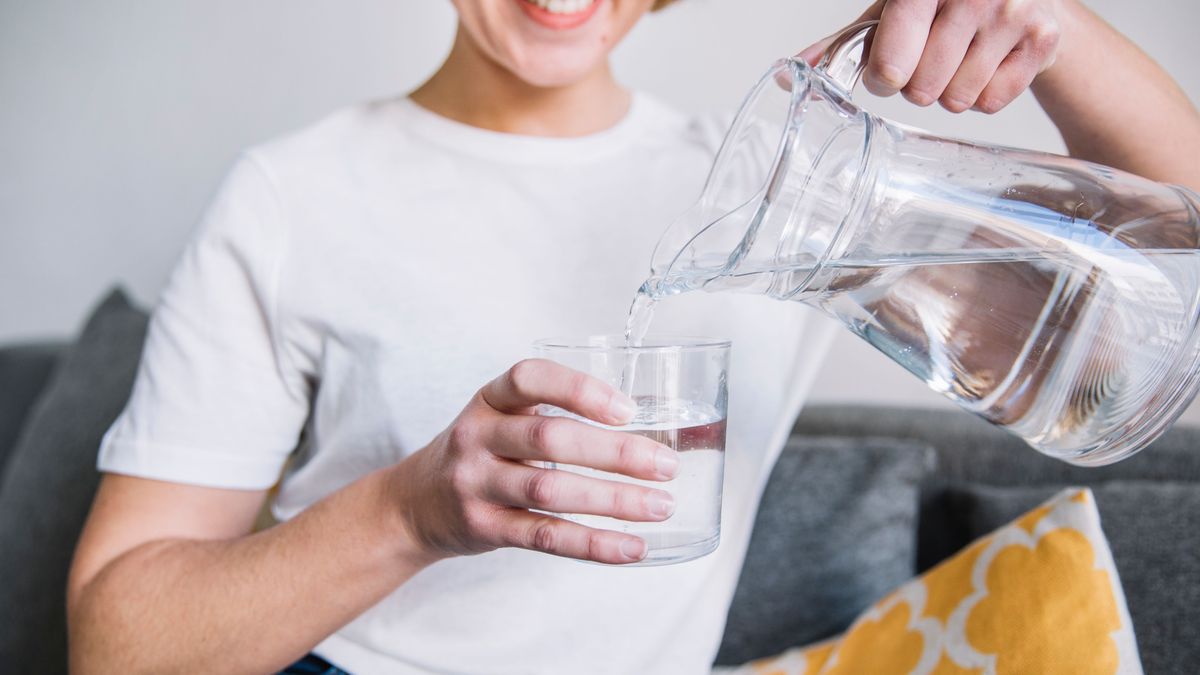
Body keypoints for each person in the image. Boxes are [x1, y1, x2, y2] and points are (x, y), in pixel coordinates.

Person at [67, 1, 1200, 673]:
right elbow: (115, 645)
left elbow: (1174, 264)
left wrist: (1046, 25)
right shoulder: (293, 193)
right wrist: (412, 510)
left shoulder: (784, 192)